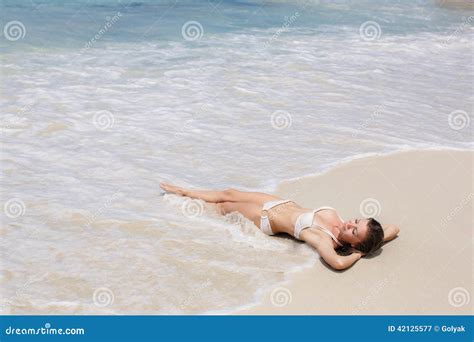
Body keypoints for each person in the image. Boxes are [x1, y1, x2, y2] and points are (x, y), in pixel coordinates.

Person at [159, 182, 400, 270]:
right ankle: (185, 191)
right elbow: (393, 228)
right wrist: (372, 244)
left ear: (353, 243)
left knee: (223, 207)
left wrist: (358, 254)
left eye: (354, 231)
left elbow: (337, 263)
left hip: (266, 219)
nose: (351, 223)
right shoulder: (347, 227)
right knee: (229, 192)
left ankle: (179, 202)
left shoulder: (323, 239)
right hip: (279, 203)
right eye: (357, 221)